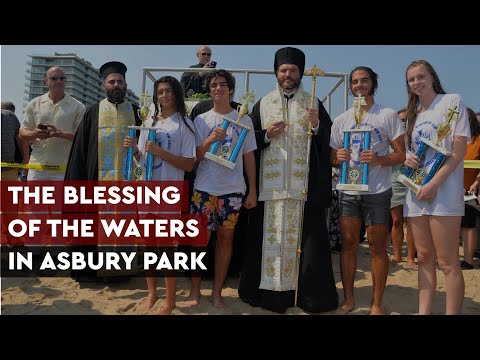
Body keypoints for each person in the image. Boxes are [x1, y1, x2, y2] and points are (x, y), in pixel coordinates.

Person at [238, 47, 338, 314]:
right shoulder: (264, 103)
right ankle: (270, 297)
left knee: (304, 246)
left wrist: (317, 127)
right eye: (283, 70)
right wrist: (266, 135)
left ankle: (304, 298)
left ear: (300, 73)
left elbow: (326, 141)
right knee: (268, 242)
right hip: (270, 191)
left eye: (292, 70)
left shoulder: (314, 102)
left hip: (302, 190)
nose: (287, 74)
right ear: (276, 72)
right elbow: (248, 143)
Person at [330, 66, 405, 315]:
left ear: (373, 84)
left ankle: (376, 303)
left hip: (378, 191)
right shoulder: (341, 119)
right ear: (350, 86)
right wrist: (337, 156)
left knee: (377, 247)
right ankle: (349, 299)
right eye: (354, 82)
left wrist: (379, 159)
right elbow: (332, 155)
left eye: (364, 81)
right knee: (349, 245)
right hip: (348, 190)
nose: (359, 85)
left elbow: (401, 154)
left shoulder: (387, 115)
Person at [124, 76, 196, 314]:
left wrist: (161, 152)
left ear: (176, 93)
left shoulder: (185, 124)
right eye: (160, 92)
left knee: (166, 248)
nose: (164, 96)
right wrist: (134, 150)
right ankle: (152, 293)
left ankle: (170, 301)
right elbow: (142, 162)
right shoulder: (148, 121)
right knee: (147, 245)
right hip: (146, 192)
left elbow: (188, 165)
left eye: (168, 91)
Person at [65, 61, 142, 282]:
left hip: (129, 185)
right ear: (103, 85)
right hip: (97, 183)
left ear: (126, 84)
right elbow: (79, 152)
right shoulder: (92, 112)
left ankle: (121, 271)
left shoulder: (138, 112)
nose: (116, 85)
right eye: (111, 81)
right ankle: (92, 271)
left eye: (119, 81)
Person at [187, 69, 257, 308]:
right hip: (204, 187)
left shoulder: (243, 119)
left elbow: (249, 158)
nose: (218, 88)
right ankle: (195, 291)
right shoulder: (201, 120)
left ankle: (217, 292)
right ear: (209, 90)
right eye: (214, 85)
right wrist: (209, 140)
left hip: (233, 190)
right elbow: (194, 157)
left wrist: (252, 190)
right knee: (199, 242)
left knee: (226, 241)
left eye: (223, 84)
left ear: (231, 89)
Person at [403, 59, 469, 315]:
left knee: (448, 261)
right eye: (411, 79)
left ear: (432, 77)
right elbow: (413, 155)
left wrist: (434, 183)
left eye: (421, 77)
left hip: (444, 193)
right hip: (416, 194)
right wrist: (408, 159)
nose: (417, 82)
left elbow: (459, 149)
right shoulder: (412, 115)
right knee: (425, 260)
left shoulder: (452, 101)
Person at [19, 66, 85, 180]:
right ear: (46, 81)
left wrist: (59, 133)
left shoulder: (78, 107)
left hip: (64, 169)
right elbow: (22, 133)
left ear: (66, 82)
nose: (59, 81)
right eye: (54, 78)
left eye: (62, 78)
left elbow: (83, 137)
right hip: (37, 168)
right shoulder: (34, 104)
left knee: (60, 199)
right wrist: (35, 134)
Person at [389, 108, 417, 269]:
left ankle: (411, 258)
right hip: (395, 180)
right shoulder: (391, 137)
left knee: (412, 222)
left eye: (406, 119)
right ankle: (398, 255)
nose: (403, 122)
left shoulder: (417, 137)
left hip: (414, 180)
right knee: (397, 221)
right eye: (400, 120)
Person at [459, 108, 480, 270]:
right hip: (449, 189)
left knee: (468, 225)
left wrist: (476, 183)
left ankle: (468, 260)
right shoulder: (451, 141)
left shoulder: (479, 141)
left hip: (470, 190)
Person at [1, 102, 29, 180]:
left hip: (8, 168)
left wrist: (25, 158)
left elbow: (21, 138)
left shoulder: (9, 116)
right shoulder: (9, 116)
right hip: (9, 168)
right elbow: (21, 139)